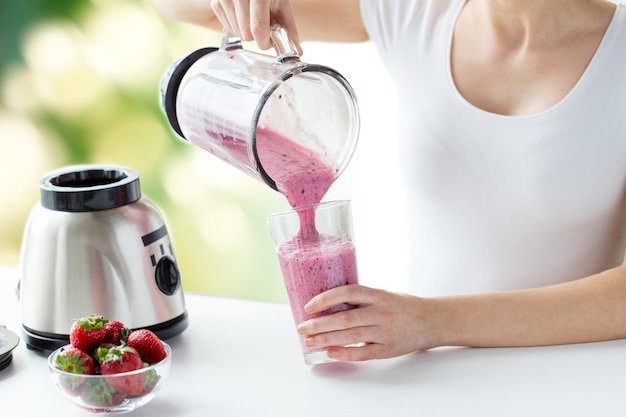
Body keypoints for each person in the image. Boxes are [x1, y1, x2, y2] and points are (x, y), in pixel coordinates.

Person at [151, 0, 626, 361]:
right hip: (432, 376)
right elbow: (176, 7)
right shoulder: (415, 11)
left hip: (573, 375)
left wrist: (432, 322)